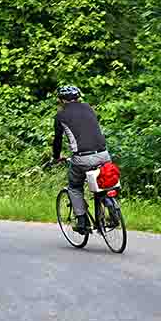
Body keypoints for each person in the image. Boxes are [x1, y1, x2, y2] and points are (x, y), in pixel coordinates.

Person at [52, 85, 110, 235]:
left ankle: (82, 220)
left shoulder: (60, 116)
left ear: (61, 100)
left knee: (74, 186)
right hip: (104, 154)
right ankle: (110, 209)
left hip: (82, 158)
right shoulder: (89, 108)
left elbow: (57, 140)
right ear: (78, 97)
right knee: (104, 182)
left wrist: (56, 157)